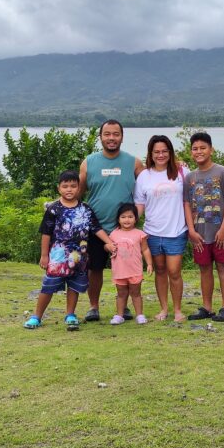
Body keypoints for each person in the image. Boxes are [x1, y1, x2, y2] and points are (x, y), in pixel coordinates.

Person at [24, 170, 116, 330]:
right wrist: (44, 255)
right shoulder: (53, 209)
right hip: (57, 256)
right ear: (59, 188)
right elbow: (46, 233)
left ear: (79, 188)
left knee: (74, 285)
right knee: (49, 285)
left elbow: (96, 228)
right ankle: (36, 316)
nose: (69, 189)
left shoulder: (86, 209)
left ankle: (70, 314)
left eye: (73, 186)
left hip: (79, 257)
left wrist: (109, 242)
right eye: (65, 186)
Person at [79, 119, 144, 322]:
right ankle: (93, 307)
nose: (111, 138)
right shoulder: (89, 162)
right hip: (96, 228)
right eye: (107, 134)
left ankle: (123, 308)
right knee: (94, 268)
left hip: (124, 230)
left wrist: (177, 166)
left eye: (116, 134)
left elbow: (150, 184)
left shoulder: (133, 162)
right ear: (101, 137)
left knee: (127, 271)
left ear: (122, 137)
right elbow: (77, 195)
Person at [183, 132, 224, 322]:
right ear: (191, 152)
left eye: (203, 148)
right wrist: (191, 230)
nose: (199, 152)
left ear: (211, 150)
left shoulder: (222, 172)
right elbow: (186, 204)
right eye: (195, 149)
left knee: (223, 267)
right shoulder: (190, 177)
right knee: (204, 268)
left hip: (221, 232)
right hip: (200, 233)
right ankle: (207, 307)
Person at [134, 135, 190, 322]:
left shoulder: (182, 171)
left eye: (164, 151)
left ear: (170, 152)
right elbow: (140, 204)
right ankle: (164, 309)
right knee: (159, 270)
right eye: (156, 151)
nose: (161, 155)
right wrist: (129, 225)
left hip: (176, 231)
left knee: (174, 271)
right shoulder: (144, 176)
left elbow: (191, 199)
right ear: (150, 153)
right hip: (152, 232)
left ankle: (178, 310)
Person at [108, 203, 153, 325]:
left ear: (135, 219)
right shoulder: (113, 234)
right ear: (118, 219)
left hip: (135, 270)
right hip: (119, 271)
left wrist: (149, 264)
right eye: (123, 217)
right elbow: (107, 246)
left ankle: (139, 315)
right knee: (121, 294)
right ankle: (119, 315)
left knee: (136, 293)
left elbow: (145, 250)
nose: (126, 220)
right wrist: (108, 246)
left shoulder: (140, 234)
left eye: (130, 216)